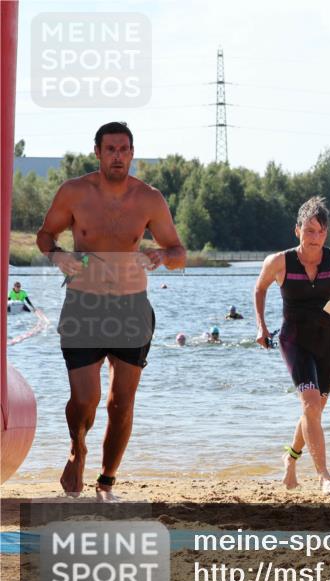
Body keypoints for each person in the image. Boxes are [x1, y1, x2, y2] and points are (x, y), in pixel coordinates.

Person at [35, 121, 186, 502]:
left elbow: (178, 252)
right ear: (98, 153)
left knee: (121, 404)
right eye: (110, 149)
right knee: (84, 398)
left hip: (131, 307)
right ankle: (77, 448)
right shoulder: (74, 192)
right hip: (83, 305)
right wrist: (58, 255)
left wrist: (162, 256)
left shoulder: (149, 198)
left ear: (132, 153)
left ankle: (106, 483)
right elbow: (44, 235)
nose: (117, 156)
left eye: (123, 149)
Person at [254, 196, 330, 495]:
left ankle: (290, 460)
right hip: (294, 341)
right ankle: (324, 476)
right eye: (309, 230)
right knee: (310, 405)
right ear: (297, 230)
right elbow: (260, 288)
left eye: (320, 232)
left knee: (313, 411)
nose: (314, 237)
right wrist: (261, 326)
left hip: (328, 343)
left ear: (326, 234)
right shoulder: (279, 262)